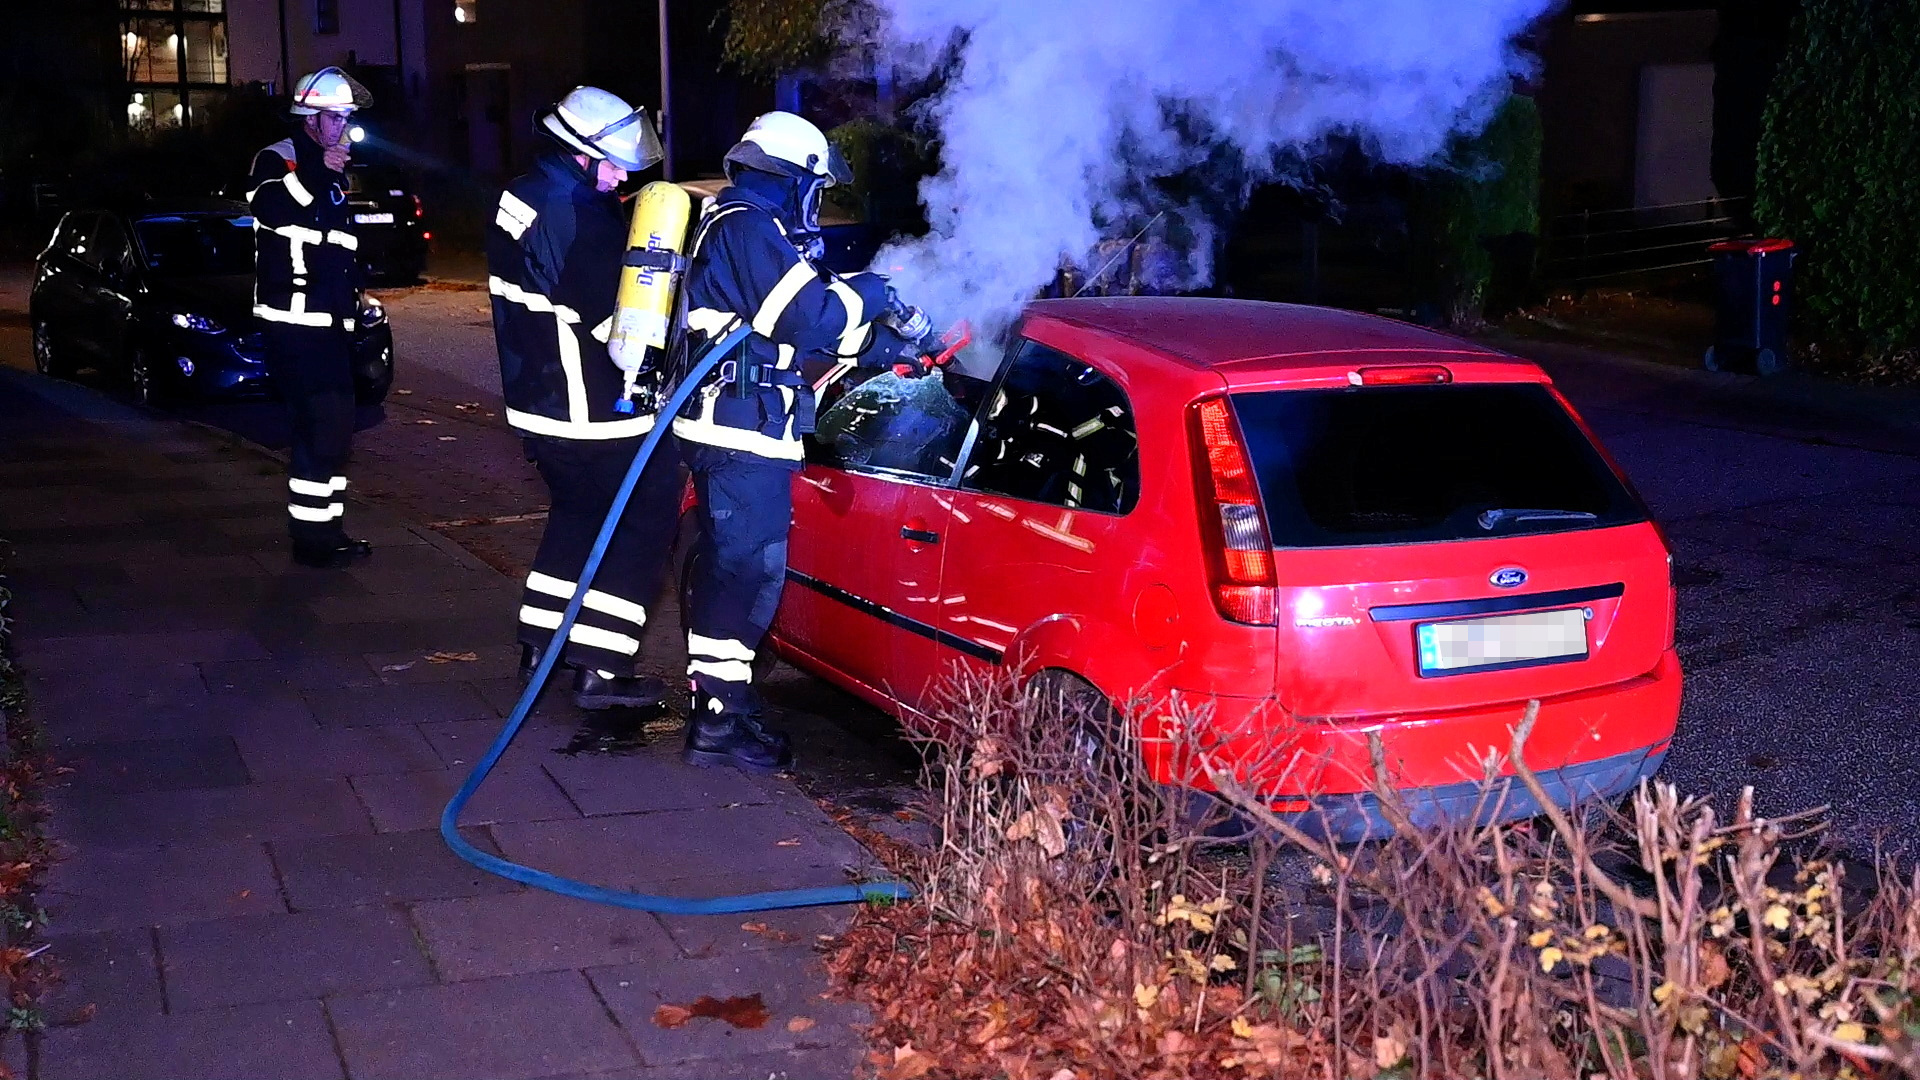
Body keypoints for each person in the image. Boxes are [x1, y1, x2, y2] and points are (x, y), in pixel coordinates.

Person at [674, 111, 910, 772]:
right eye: (816, 186)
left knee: (745, 570)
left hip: (747, 427)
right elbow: (815, 315)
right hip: (739, 433)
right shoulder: (747, 226)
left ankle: (724, 702)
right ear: (794, 177)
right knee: (746, 572)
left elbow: (806, 332)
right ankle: (717, 721)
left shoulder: (750, 226)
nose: (817, 200)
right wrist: (870, 290)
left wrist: (885, 342)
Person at [487, 85, 680, 712]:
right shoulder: (579, 216)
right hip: (590, 408)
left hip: (537, 401)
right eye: (614, 162)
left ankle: (539, 645)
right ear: (578, 152)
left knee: (575, 515)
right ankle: (602, 668)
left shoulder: (523, 192)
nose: (623, 175)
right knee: (645, 516)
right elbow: (619, 327)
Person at [248, 67, 374, 568]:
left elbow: (336, 245)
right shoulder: (278, 159)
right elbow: (272, 210)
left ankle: (323, 530)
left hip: (330, 323)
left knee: (333, 430)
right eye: (335, 117)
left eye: (347, 118)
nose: (343, 127)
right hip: (294, 322)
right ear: (310, 117)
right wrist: (319, 171)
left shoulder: (333, 168)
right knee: (323, 426)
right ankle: (314, 539)